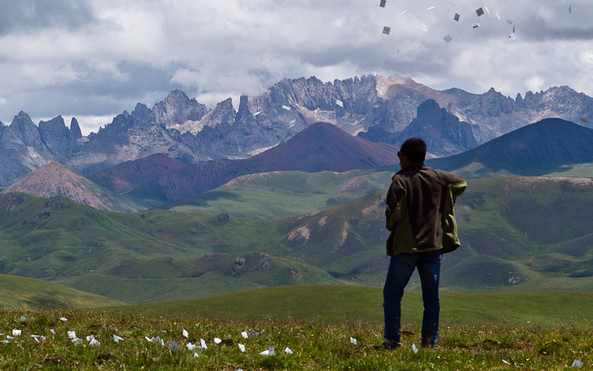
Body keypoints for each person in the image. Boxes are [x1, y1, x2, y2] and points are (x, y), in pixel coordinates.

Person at [381, 137, 466, 349]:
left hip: (406, 248)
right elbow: (460, 183)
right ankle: (430, 343)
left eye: (400, 155)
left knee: (392, 293)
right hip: (433, 246)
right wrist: (447, 200)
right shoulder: (438, 177)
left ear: (406, 157)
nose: (398, 158)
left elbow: (394, 215)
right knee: (431, 297)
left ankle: (392, 341)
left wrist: (392, 224)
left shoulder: (400, 181)